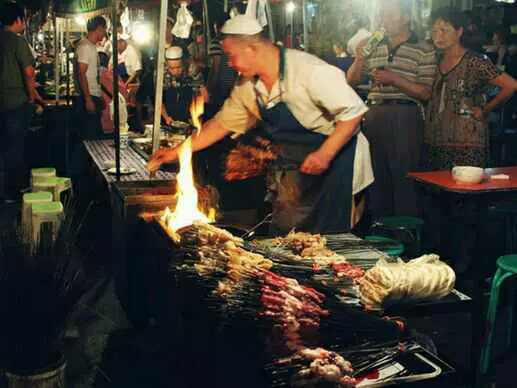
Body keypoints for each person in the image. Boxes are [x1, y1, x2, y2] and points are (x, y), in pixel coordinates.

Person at [149, 15, 373, 234]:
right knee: (292, 239)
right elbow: (220, 125)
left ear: (252, 48)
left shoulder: (308, 70)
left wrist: (325, 154)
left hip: (340, 165)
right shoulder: (248, 85)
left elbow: (353, 113)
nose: (230, 63)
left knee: (334, 243)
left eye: (232, 55)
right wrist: (176, 152)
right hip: (301, 174)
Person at [347, 0, 437, 219]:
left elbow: (426, 92)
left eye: (388, 14)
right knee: (376, 179)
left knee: (404, 179)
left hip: (405, 115)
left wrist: (395, 79)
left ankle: (406, 242)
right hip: (374, 113)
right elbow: (351, 81)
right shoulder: (373, 45)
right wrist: (359, 58)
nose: (382, 19)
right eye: (381, 14)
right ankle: (380, 237)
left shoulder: (423, 49)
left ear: (405, 18)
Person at [424, 7, 517, 170]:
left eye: (445, 30)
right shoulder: (433, 60)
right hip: (436, 140)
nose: (439, 35)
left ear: (459, 31)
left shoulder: (475, 61)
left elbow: (510, 85)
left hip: (468, 142)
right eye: (434, 31)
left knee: (465, 189)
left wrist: (486, 109)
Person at [0, 2, 36, 202]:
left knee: (5, 148)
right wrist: (31, 98)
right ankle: (13, 192)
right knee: (16, 148)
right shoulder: (18, 42)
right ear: (18, 20)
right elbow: (29, 73)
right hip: (16, 103)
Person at [74, 16, 107, 140]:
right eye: (104, 30)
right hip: (88, 96)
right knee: (90, 137)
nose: (105, 34)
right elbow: (81, 73)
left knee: (95, 135)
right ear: (99, 29)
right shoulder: (85, 47)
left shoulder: (91, 46)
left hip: (93, 95)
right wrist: (88, 99)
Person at [161, 46, 205, 125]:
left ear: (184, 62)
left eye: (178, 67)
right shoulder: (162, 72)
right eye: (171, 68)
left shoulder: (193, 71)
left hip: (190, 113)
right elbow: (158, 100)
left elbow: (200, 96)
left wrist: (196, 118)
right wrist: (166, 117)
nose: (175, 71)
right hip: (168, 114)